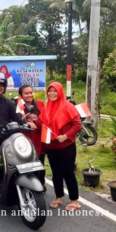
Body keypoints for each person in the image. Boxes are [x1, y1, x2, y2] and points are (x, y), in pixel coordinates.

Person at [39, 82, 82, 211]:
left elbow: (77, 125)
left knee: (68, 173)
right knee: (56, 173)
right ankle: (58, 197)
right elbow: (42, 122)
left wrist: (65, 136)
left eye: (55, 91)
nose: (52, 93)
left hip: (66, 146)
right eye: (50, 91)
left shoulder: (68, 106)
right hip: (51, 146)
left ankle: (74, 201)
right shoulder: (46, 107)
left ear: (60, 92)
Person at [18, 84, 46, 191]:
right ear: (21, 95)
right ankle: (28, 186)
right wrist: (26, 122)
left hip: (39, 137)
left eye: (31, 92)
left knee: (41, 163)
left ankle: (41, 183)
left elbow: (45, 119)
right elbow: (16, 119)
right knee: (27, 164)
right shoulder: (18, 107)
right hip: (25, 139)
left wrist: (36, 121)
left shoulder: (40, 103)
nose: (29, 95)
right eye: (26, 93)